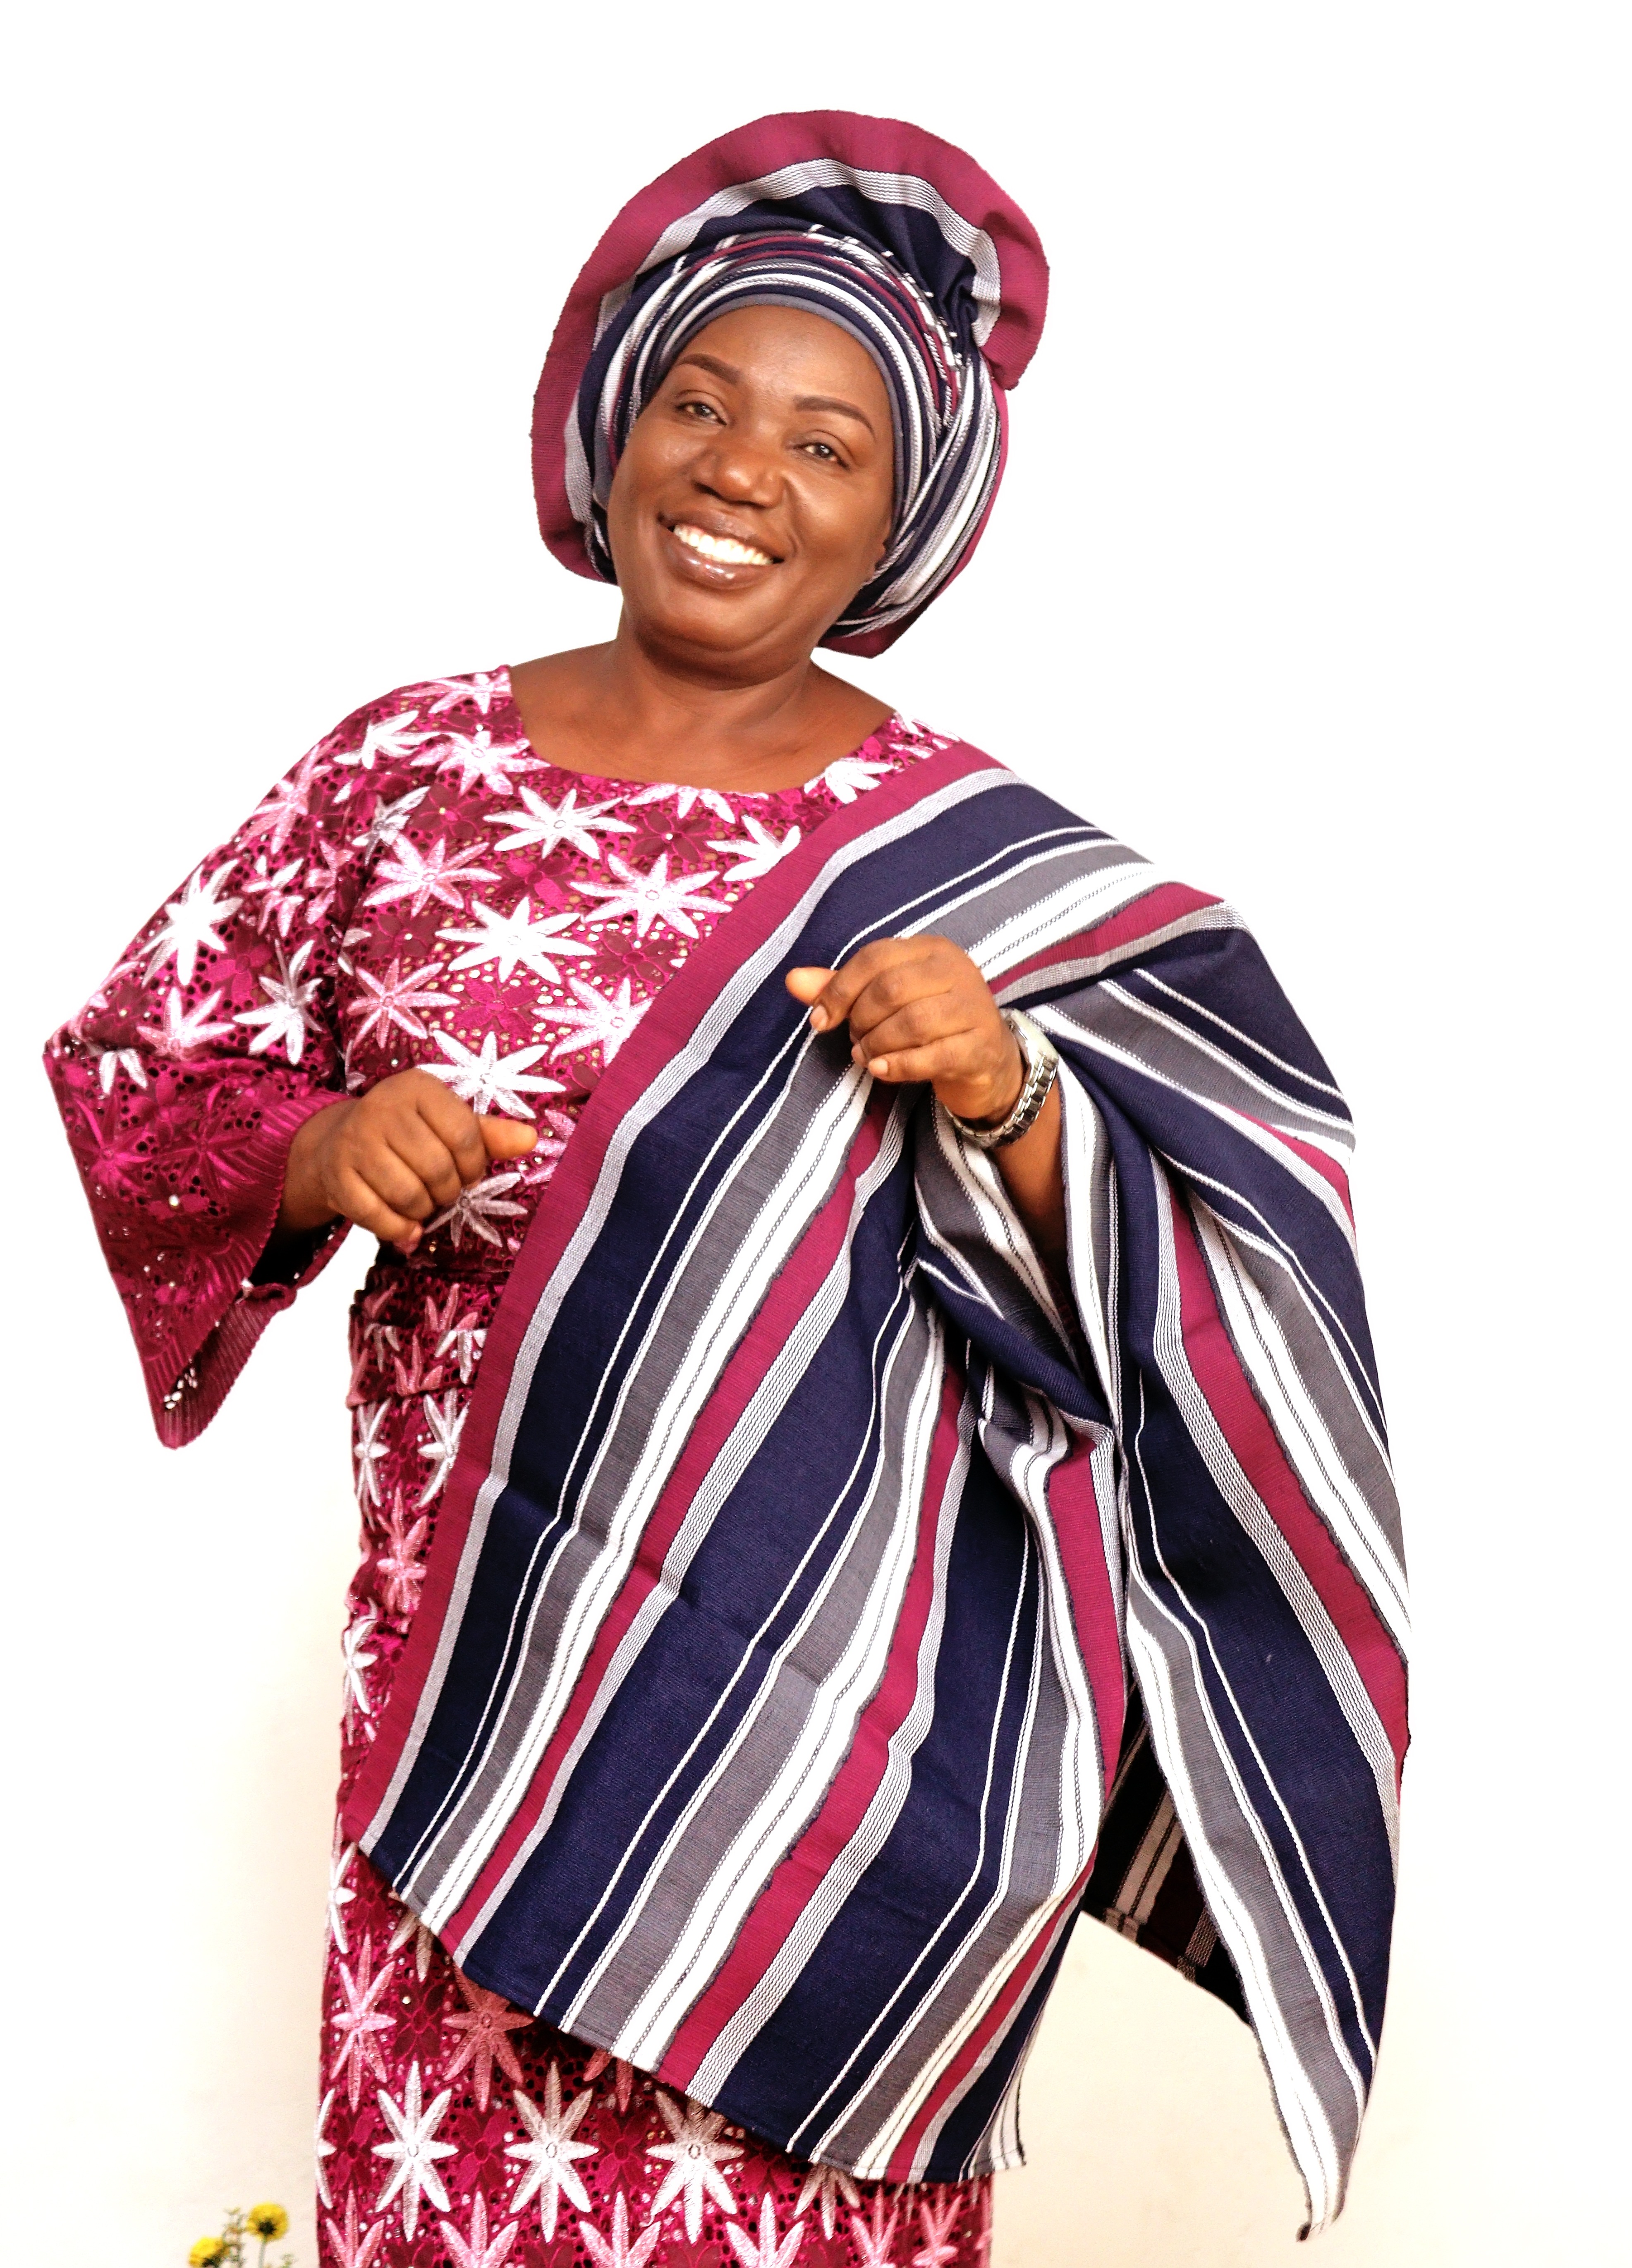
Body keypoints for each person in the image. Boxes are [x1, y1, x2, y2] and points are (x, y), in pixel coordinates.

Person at [47, 112, 1408, 2266]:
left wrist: (1015, 1092)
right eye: (702, 401)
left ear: (901, 522)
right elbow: (151, 1063)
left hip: (842, 1776)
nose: (743, 470)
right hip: (467, 1700)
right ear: (613, 431)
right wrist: (316, 1149)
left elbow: (1242, 1283)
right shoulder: (402, 772)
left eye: (825, 444)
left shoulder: (982, 868)